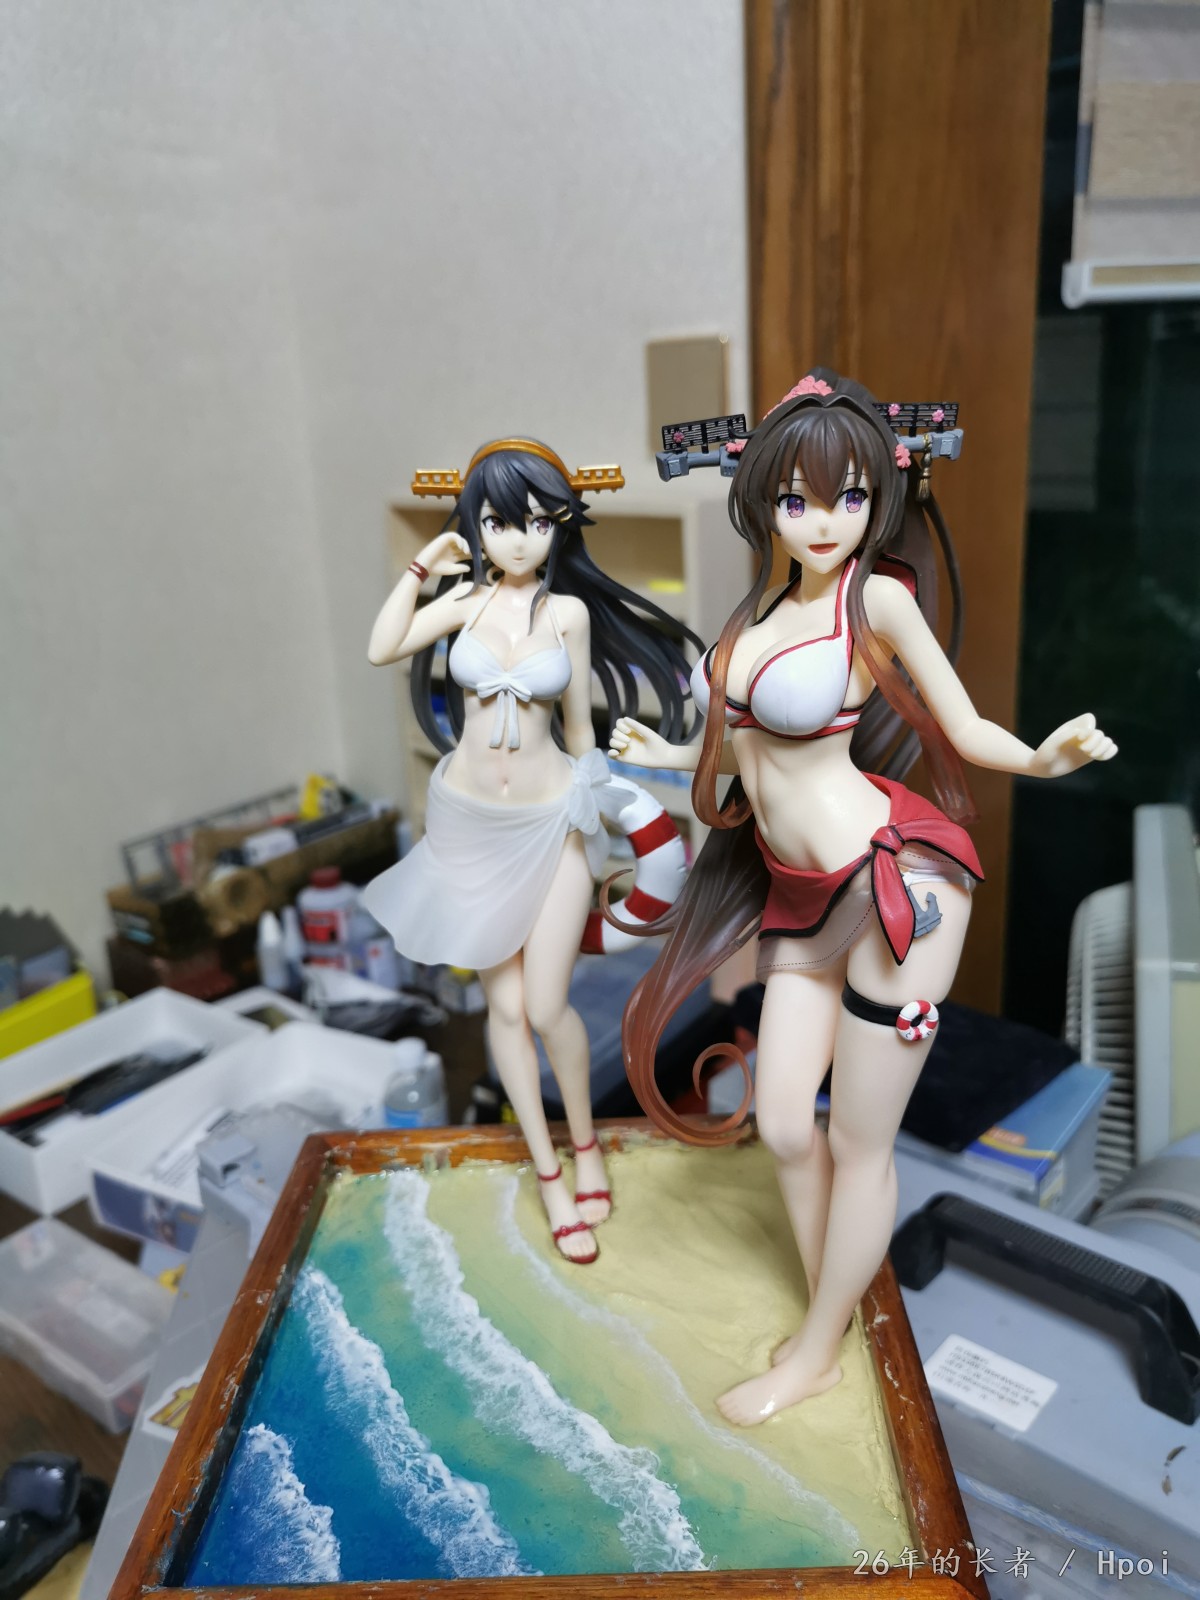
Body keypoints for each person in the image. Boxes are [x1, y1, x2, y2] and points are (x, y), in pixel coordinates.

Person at [608, 371, 1116, 1420]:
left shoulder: (873, 599)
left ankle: (816, 1349)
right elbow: (742, 745)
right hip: (800, 892)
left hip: (897, 890)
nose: (825, 521)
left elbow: (961, 726)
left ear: (879, 496)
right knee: (784, 1124)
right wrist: (666, 752)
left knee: (857, 1140)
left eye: (848, 497)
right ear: (764, 499)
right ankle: (829, 1304)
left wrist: (1040, 757)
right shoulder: (759, 607)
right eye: (798, 499)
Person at [364, 438, 697, 1264]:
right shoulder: (463, 604)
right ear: (476, 525)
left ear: (560, 528)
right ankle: (550, 1173)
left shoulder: (567, 615)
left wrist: (601, 811)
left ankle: (586, 1144)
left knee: (547, 1007)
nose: (519, 540)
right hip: (469, 827)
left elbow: (580, 725)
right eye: (499, 522)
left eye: (540, 523)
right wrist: (423, 566)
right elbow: (382, 646)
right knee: (506, 1011)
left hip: (553, 820)